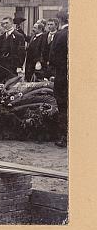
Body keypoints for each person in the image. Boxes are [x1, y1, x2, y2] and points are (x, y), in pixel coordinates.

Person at [48, 9, 68, 148]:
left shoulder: (60, 35)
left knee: (63, 107)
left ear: (59, 21)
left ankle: (64, 137)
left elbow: (52, 58)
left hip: (62, 76)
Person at [0, 16, 25, 83]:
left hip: (13, 66)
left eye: (6, 23)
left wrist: (19, 66)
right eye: (3, 24)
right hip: (2, 66)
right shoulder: (1, 37)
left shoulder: (19, 36)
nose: (5, 25)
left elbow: (21, 52)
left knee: (12, 85)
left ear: (11, 23)